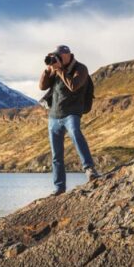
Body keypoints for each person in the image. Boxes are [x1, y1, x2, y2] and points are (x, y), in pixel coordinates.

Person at [39, 45, 98, 195]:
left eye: (60, 55)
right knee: (56, 155)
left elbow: (73, 86)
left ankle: (89, 170)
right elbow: (42, 87)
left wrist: (59, 70)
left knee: (76, 133)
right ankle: (59, 188)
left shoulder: (81, 68)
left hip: (72, 112)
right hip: (54, 115)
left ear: (69, 55)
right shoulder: (54, 69)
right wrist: (48, 71)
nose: (58, 58)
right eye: (56, 55)